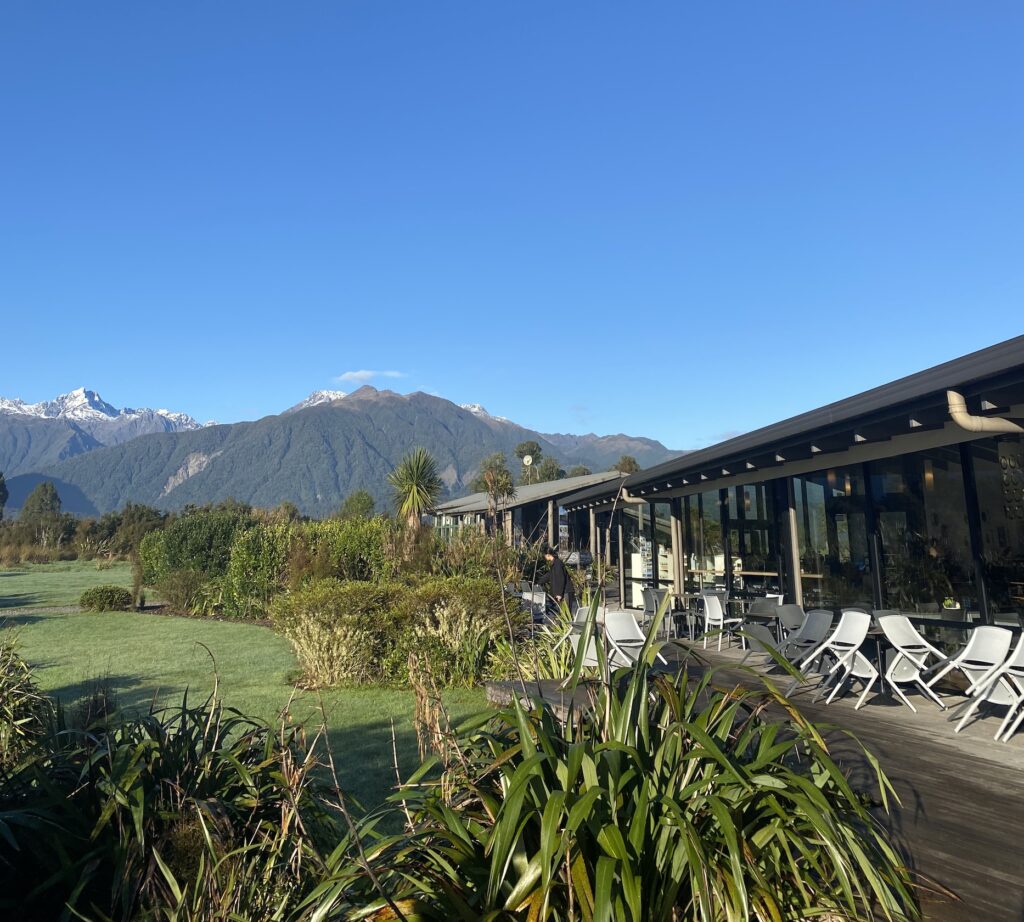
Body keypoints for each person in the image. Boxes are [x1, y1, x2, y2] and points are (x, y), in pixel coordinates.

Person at [540, 545, 577, 616]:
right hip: (563, 592)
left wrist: (559, 594)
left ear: (548, 555)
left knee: (566, 614)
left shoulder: (557, 563)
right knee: (562, 613)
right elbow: (549, 575)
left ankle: (567, 626)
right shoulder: (554, 564)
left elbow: (561, 579)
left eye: (544, 555)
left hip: (566, 592)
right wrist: (538, 582)